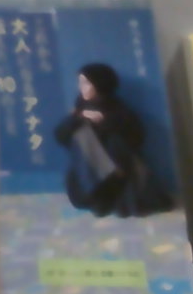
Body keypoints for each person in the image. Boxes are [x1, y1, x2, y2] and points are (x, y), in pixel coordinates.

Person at [55, 62, 170, 216]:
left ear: (99, 84)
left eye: (86, 83)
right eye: (81, 83)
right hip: (88, 168)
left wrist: (104, 120)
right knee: (81, 135)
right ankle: (97, 194)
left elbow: (135, 139)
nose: (81, 88)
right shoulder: (80, 106)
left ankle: (102, 195)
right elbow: (61, 136)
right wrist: (78, 118)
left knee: (94, 138)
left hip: (116, 168)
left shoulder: (116, 108)